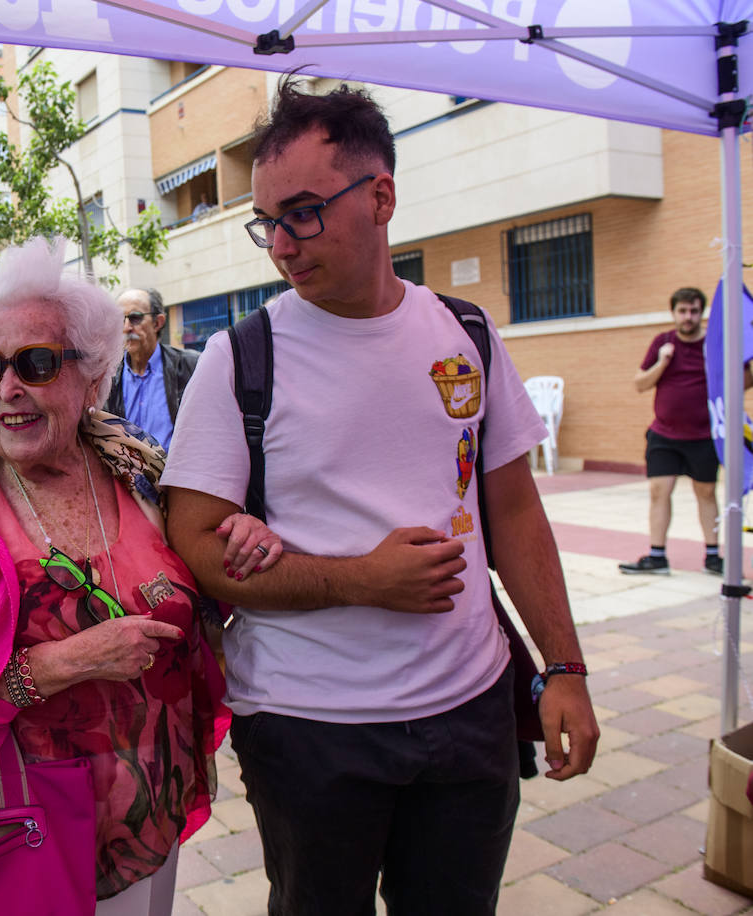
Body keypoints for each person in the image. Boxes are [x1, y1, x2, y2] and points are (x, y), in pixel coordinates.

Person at [161, 78, 599, 915]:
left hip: (471, 710)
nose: (282, 245)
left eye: (302, 212)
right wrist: (359, 578)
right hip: (305, 724)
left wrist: (564, 669)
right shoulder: (241, 359)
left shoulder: (465, 334)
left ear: (381, 195)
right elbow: (196, 542)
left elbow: (513, 513)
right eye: (268, 223)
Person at [0, 237, 229, 913]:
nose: (7, 389)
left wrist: (236, 537)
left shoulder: (139, 481)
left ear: (93, 375)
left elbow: (203, 586)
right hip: (27, 832)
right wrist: (58, 664)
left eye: (36, 364)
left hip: (148, 822)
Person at [619, 287, 726, 576]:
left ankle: (713, 556)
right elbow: (640, 384)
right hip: (664, 435)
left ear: (700, 312)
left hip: (704, 435)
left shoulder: (714, 344)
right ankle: (657, 557)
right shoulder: (663, 342)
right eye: (682, 311)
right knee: (658, 492)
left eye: (693, 311)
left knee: (706, 492)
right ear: (674, 313)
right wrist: (663, 361)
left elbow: (741, 382)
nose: (688, 317)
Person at [103, 288, 199, 450]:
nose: (126, 327)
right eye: (120, 320)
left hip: (177, 472)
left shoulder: (191, 366)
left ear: (158, 322)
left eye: (135, 318)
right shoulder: (108, 376)